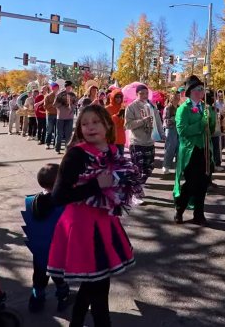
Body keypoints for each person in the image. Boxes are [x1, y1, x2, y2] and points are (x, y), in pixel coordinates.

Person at [49, 104, 143, 327]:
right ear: (79, 129)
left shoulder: (113, 151)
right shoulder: (76, 154)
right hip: (82, 227)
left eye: (95, 122)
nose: (90, 127)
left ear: (107, 125)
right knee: (98, 287)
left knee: (94, 282)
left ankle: (76, 323)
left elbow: (121, 183)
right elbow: (58, 196)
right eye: (84, 124)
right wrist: (96, 185)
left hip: (105, 223)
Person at [21, 163, 72, 312]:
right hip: (58, 249)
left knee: (39, 275)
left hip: (39, 249)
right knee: (59, 275)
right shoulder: (64, 204)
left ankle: (37, 299)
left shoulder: (32, 201)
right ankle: (63, 297)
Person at [173, 75, 216, 225]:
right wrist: (201, 123)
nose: (202, 91)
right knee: (191, 183)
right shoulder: (183, 109)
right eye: (199, 88)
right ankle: (179, 209)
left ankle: (199, 214)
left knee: (203, 183)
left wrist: (212, 118)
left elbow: (211, 129)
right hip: (190, 151)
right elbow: (182, 130)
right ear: (191, 91)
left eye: (202, 88)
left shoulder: (205, 107)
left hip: (205, 150)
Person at [125, 85, 164, 182]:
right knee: (137, 169)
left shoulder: (152, 107)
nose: (144, 95)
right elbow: (128, 125)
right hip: (137, 143)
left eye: (146, 93)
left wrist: (162, 134)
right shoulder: (131, 107)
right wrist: (142, 121)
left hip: (149, 142)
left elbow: (158, 122)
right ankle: (136, 186)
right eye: (141, 93)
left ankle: (141, 184)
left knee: (149, 169)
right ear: (136, 94)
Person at [53, 81, 78, 154]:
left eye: (70, 87)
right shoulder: (60, 94)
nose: (69, 88)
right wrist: (62, 103)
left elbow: (76, 103)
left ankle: (67, 149)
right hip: (61, 116)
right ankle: (57, 148)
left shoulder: (73, 94)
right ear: (65, 87)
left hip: (69, 116)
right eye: (68, 87)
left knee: (68, 134)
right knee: (59, 133)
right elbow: (55, 104)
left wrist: (72, 106)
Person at [207, 89, 225, 172]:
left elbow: (219, 117)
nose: (214, 99)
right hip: (208, 132)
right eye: (212, 97)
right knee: (210, 149)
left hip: (215, 131)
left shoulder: (214, 108)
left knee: (216, 148)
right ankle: (211, 164)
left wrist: (221, 117)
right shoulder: (205, 108)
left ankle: (217, 163)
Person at [162, 90, 180, 174]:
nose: (177, 99)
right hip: (170, 129)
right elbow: (166, 120)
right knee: (170, 148)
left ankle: (177, 166)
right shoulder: (168, 108)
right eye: (176, 97)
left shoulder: (179, 107)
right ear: (171, 98)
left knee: (179, 149)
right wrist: (176, 119)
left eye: (178, 97)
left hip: (179, 130)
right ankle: (166, 166)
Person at [104, 88, 127, 154]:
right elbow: (107, 122)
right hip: (111, 139)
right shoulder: (107, 108)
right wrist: (117, 115)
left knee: (121, 158)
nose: (119, 99)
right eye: (117, 97)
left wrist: (125, 116)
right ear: (113, 97)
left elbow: (126, 124)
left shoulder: (123, 108)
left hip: (121, 139)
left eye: (120, 97)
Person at [44, 83, 60, 150]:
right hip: (50, 115)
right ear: (52, 89)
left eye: (57, 88)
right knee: (49, 130)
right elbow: (45, 107)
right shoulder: (48, 96)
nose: (57, 89)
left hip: (58, 115)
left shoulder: (59, 96)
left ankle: (55, 144)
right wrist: (52, 104)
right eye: (55, 88)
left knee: (57, 130)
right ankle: (47, 143)